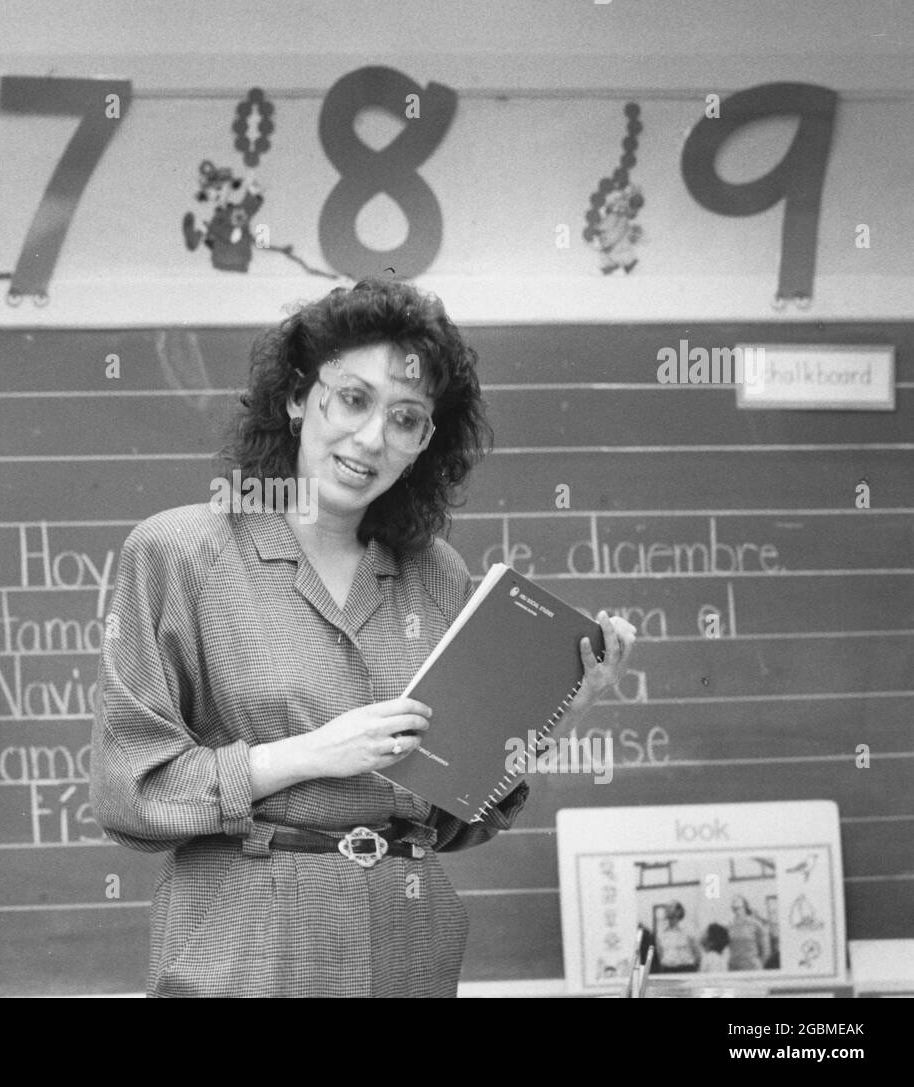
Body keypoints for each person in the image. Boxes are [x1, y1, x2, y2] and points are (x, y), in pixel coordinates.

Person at [89, 277, 636, 997]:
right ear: (296, 396)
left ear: (425, 443)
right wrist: (316, 753)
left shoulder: (436, 574)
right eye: (353, 399)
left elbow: (446, 818)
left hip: (407, 947)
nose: (373, 437)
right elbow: (131, 790)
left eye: (406, 418)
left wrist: (554, 716)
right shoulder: (179, 552)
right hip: (248, 950)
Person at [654, 902, 700, 972]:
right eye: (668, 909)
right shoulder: (661, 933)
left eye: (674, 914)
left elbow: (696, 952)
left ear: (680, 913)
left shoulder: (688, 931)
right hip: (668, 969)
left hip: (687, 969)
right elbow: (660, 953)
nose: (669, 911)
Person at [727, 895, 769, 970]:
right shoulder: (729, 926)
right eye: (734, 908)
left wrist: (759, 964)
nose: (736, 911)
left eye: (739, 908)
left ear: (745, 907)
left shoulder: (756, 924)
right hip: (734, 968)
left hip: (753, 967)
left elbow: (765, 949)